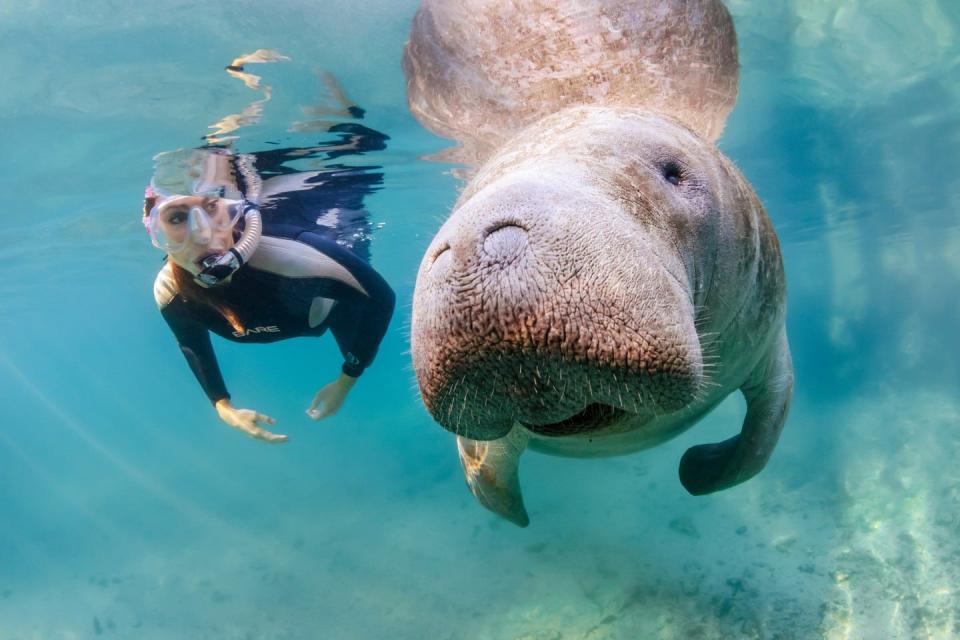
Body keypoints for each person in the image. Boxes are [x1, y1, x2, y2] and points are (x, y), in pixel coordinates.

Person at [143, 143, 395, 443]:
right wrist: (224, 407)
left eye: (212, 207)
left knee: (359, 145)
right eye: (175, 218)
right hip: (306, 312)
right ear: (155, 232)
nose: (203, 233)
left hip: (335, 308)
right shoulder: (170, 291)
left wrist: (347, 378)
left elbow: (380, 298)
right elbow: (191, 343)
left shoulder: (294, 257)